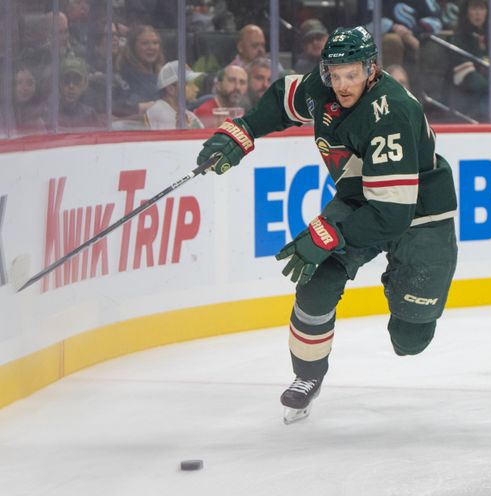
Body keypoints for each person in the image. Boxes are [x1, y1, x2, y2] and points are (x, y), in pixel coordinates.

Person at [195, 26, 458, 423]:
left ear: (371, 69)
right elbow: (283, 99)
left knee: (410, 341)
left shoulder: (393, 111)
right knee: (316, 278)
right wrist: (243, 131)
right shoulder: (323, 89)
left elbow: (392, 214)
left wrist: (328, 234)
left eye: (351, 74)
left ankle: (401, 279)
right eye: (335, 74)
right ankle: (308, 377)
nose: (342, 84)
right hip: (360, 200)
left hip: (420, 214)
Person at [145, 60, 204, 129]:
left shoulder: (188, 114)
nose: (196, 89)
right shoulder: (159, 111)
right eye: (188, 84)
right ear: (170, 89)